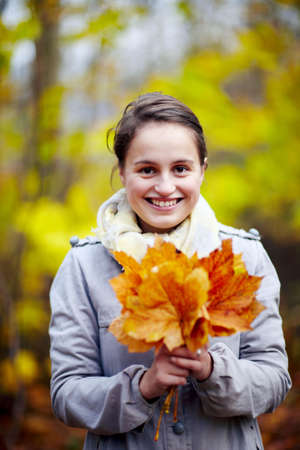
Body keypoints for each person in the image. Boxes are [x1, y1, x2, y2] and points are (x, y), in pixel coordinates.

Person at [49, 92, 291, 450]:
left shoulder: (244, 256)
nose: (165, 187)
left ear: (202, 169)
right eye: (147, 170)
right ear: (122, 172)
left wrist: (211, 369)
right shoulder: (84, 266)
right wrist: (144, 387)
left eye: (181, 168)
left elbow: (274, 380)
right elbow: (67, 394)